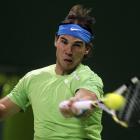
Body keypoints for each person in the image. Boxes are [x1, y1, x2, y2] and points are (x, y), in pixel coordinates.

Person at [0, 4, 104, 140]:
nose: (68, 50)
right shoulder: (33, 78)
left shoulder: (89, 78)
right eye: (64, 42)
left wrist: (76, 105)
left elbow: (86, 99)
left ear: (87, 49)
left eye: (77, 45)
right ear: (56, 40)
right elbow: (3, 109)